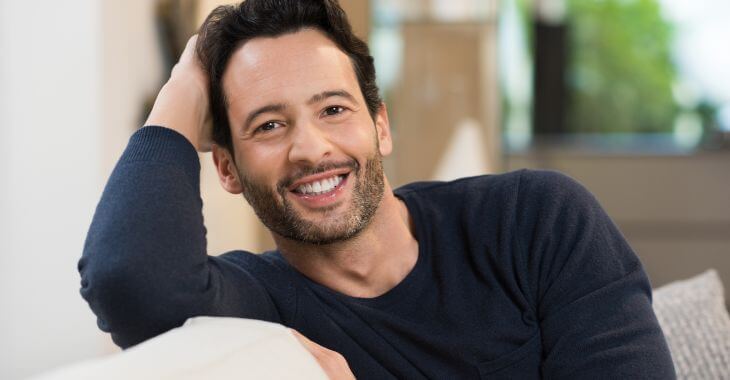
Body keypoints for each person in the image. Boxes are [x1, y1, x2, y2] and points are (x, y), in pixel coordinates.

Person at [78, 0, 676, 378]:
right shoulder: (255, 304)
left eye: (334, 108)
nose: (311, 147)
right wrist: (180, 94)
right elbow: (130, 281)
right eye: (268, 125)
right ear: (228, 171)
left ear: (380, 125)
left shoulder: (534, 221)